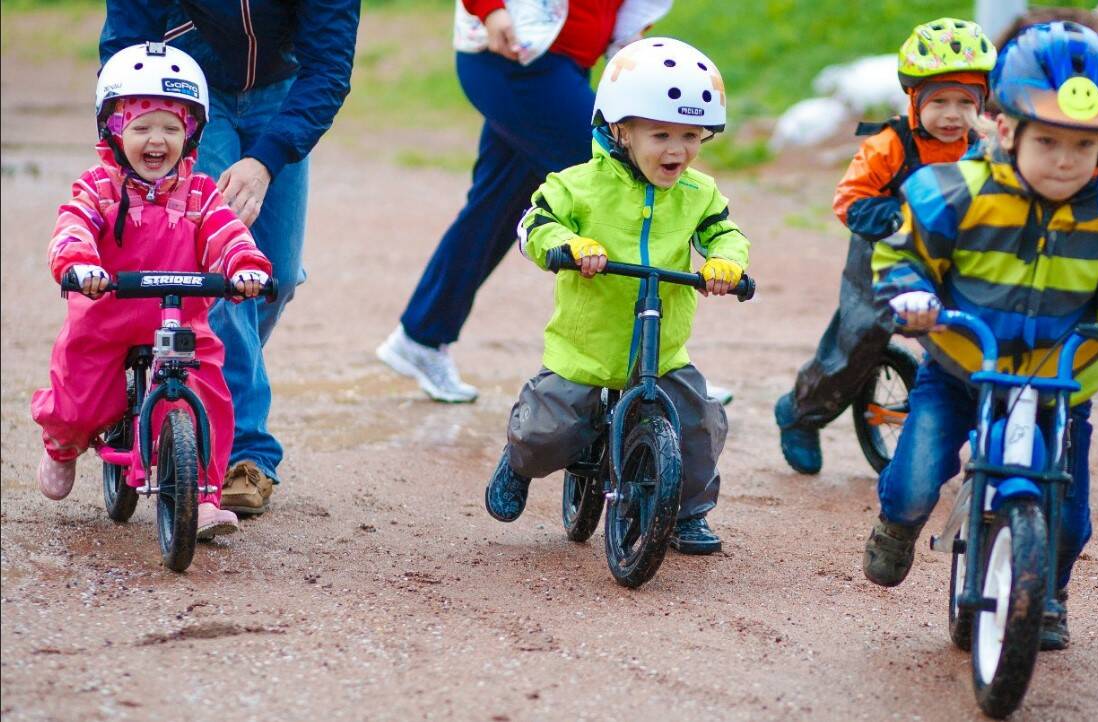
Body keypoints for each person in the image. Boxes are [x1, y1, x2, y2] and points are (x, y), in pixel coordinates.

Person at [861, 22, 1098, 651]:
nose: (1065, 161)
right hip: (965, 364)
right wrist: (913, 294)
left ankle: (1049, 593)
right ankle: (896, 526)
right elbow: (903, 250)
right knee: (914, 481)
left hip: (1061, 381)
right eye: (1047, 140)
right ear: (1007, 128)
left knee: (1069, 519)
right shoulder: (957, 190)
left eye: (1084, 144)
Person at [483, 37, 749, 554]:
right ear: (621, 130)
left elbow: (725, 233)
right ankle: (518, 461)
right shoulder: (577, 185)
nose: (677, 150)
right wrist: (568, 244)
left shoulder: (700, 194)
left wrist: (726, 263)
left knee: (699, 424)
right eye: (661, 134)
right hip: (588, 348)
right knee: (548, 431)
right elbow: (534, 223)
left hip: (662, 349)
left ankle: (687, 511)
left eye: (691, 136)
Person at [100, 1, 360, 516]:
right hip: (185, 93)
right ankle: (244, 454)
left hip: (280, 92)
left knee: (275, 279)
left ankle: (200, 374)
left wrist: (267, 159)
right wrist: (126, 132)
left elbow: (330, 68)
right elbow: (124, 41)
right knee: (220, 278)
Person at [375, 0, 673, 404]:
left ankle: (420, 335)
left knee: (497, 207)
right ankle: (651, 374)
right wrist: (491, 8)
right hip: (514, 59)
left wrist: (627, 41)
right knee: (619, 179)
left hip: (565, 68)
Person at [30, 43, 272, 539]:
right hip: (107, 315)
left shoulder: (201, 193)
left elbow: (227, 231)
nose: (156, 140)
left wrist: (244, 265)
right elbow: (73, 225)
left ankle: (202, 496)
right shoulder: (99, 187)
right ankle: (62, 442)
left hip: (182, 320)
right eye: (141, 127)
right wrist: (77, 262)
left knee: (207, 393)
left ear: (192, 132)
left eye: (171, 127)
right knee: (79, 393)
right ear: (113, 132)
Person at [774, 18, 997, 474]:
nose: (953, 115)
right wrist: (897, 218)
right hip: (881, 251)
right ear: (914, 99)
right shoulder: (890, 143)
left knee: (979, 332)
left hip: (955, 257)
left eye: (965, 102)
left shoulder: (985, 145)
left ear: (983, 103)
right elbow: (849, 198)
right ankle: (801, 411)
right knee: (859, 338)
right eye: (940, 102)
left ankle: (980, 430)